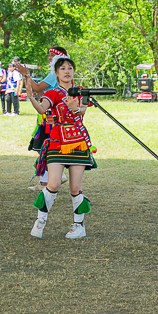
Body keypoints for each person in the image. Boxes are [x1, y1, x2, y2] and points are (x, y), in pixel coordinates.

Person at [24, 55, 96, 240]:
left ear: (74, 72)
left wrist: (74, 108)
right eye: (62, 68)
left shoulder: (81, 92)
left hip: (78, 142)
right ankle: (40, 221)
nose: (67, 71)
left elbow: (82, 112)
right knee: (53, 183)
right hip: (57, 141)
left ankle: (78, 225)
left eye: (70, 68)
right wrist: (31, 96)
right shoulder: (53, 93)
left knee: (74, 187)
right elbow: (42, 110)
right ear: (56, 73)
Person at [21, 46, 70, 191]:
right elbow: (41, 91)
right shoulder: (58, 74)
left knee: (44, 146)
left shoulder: (54, 74)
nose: (49, 58)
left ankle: (50, 179)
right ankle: (47, 180)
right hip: (51, 114)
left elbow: (37, 88)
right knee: (44, 146)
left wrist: (26, 75)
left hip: (49, 116)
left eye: (51, 55)